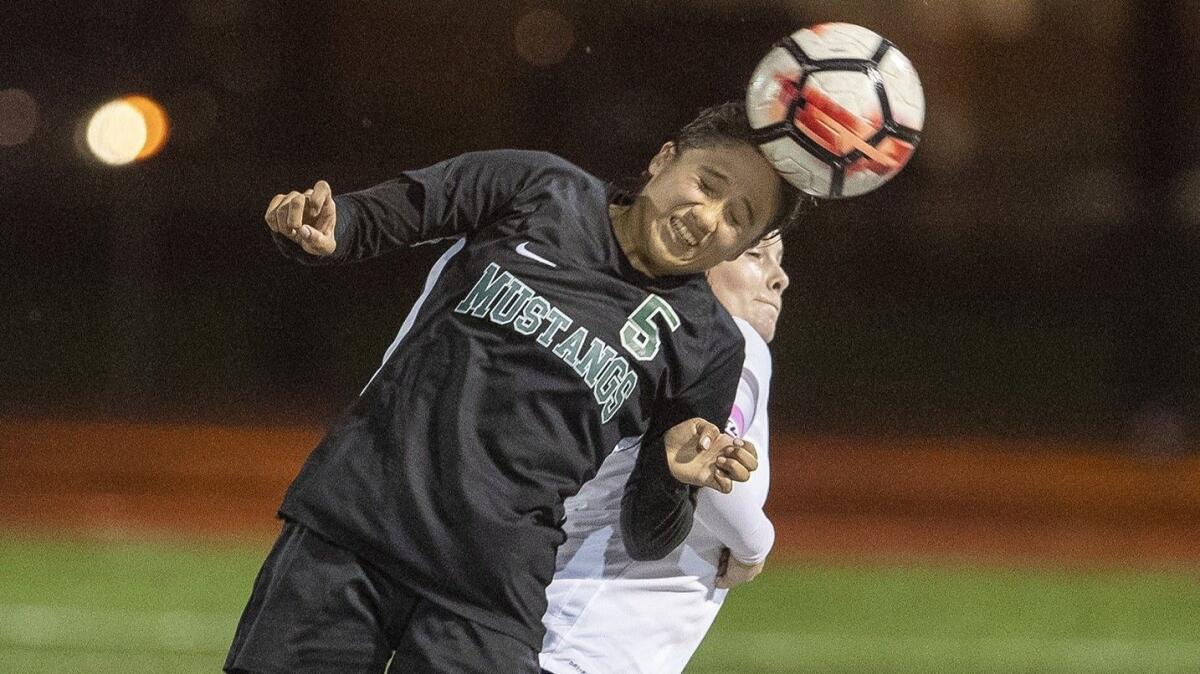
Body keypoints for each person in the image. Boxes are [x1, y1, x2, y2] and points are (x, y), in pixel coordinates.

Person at [225, 101, 805, 674]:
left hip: (493, 592)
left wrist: (674, 480)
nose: (707, 218)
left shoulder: (710, 343)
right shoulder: (538, 186)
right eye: (707, 184)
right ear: (663, 159)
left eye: (738, 218)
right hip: (357, 526)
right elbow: (382, 216)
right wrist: (325, 227)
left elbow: (648, 535)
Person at [540, 235, 789, 674]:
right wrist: (755, 546)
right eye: (755, 255)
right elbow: (706, 460)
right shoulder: (738, 345)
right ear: (701, 266)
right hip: (587, 649)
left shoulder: (653, 345)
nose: (779, 278)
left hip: (556, 630)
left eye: (779, 260)